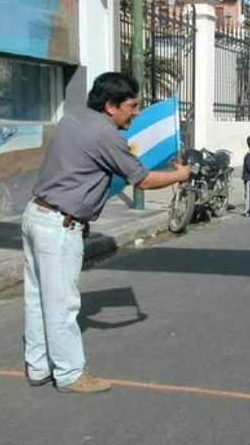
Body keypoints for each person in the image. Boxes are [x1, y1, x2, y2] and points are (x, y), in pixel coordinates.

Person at [23, 73, 191, 393]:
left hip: (37, 214)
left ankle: (38, 366)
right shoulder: (105, 135)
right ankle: (71, 373)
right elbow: (141, 179)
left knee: (37, 299)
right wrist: (179, 174)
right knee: (62, 304)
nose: (137, 112)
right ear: (110, 106)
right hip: (59, 224)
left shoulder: (74, 116)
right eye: (132, 105)